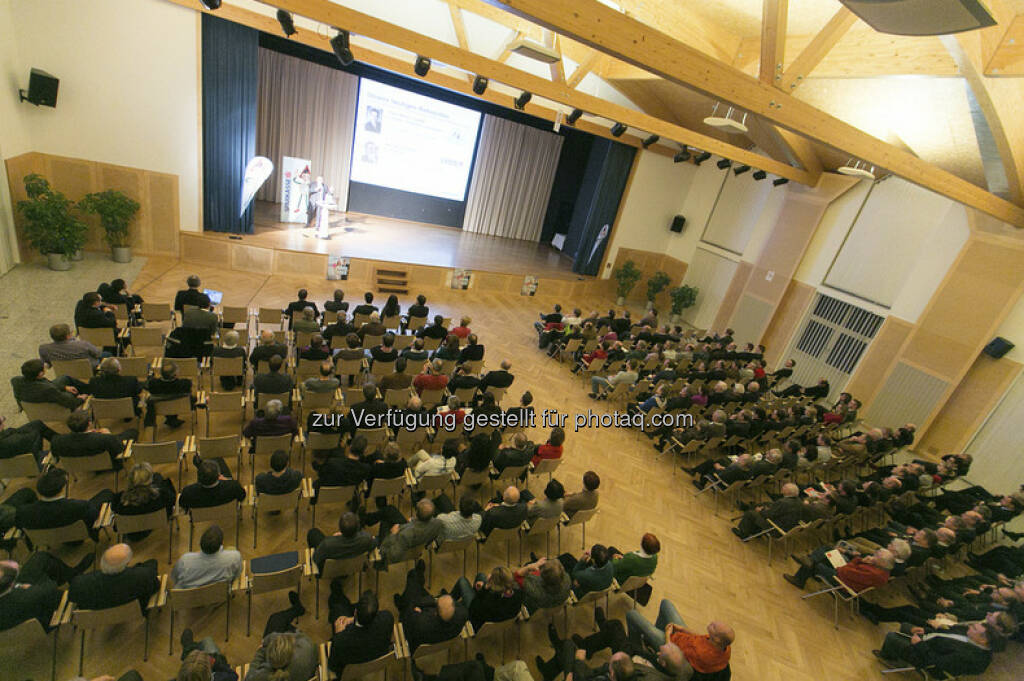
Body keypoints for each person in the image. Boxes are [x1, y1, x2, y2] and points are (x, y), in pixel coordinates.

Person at [626, 600, 734, 677]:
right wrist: (682, 629)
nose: (712, 623)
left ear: (718, 639)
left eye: (714, 627)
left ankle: (636, 648)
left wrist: (667, 634)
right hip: (681, 641)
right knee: (666, 604)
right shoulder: (724, 647)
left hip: (671, 647)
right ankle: (652, 640)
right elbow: (701, 637)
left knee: (632, 615)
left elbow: (672, 654)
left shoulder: (701, 654)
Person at [15, 467, 114, 541]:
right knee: (107, 493)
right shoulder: (79, 506)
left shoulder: (23, 512)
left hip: (49, 538)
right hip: (77, 536)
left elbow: (20, 526)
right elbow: (94, 516)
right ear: (62, 488)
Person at [874, 620, 996, 677]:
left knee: (891, 637)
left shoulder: (969, 656)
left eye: (974, 629)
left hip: (926, 658)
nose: (969, 628)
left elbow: (935, 661)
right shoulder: (973, 639)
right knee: (905, 625)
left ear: (983, 640)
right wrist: (926, 631)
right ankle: (896, 653)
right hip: (929, 642)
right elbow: (947, 634)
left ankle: (889, 658)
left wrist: (919, 644)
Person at [395, 561, 469, 653]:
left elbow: (408, 616)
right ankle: (418, 577)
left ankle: (402, 602)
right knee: (417, 587)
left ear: (435, 612)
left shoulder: (420, 622)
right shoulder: (462, 616)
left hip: (413, 631)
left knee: (412, 580)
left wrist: (415, 610)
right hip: (438, 638)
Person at [69, 543, 160, 614]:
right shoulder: (143, 576)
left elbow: (74, 600)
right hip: (135, 612)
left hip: (97, 618)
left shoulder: (78, 585)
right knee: (152, 562)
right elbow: (156, 585)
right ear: (127, 563)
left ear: (102, 563)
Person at [327, 590, 395, 676]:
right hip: (376, 659)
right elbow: (383, 615)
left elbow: (333, 666)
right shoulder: (387, 619)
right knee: (342, 605)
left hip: (348, 672)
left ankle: (336, 591)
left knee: (338, 607)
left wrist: (338, 634)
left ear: (355, 612)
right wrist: (352, 619)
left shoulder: (340, 641)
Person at [51, 410, 136, 471]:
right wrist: (109, 435)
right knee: (132, 432)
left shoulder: (56, 441)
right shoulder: (105, 439)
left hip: (79, 466)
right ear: (89, 423)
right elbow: (120, 449)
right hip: (110, 465)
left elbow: (55, 456)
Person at [114, 462, 176, 538]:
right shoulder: (161, 495)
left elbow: (115, 514)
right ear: (150, 480)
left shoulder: (121, 502)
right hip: (158, 521)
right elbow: (173, 500)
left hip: (132, 531)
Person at [451, 566, 523, 631]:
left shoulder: (489, 601)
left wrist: (484, 589)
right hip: (498, 615)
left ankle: (449, 601)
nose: (489, 575)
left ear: (494, 585)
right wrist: (486, 586)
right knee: (481, 575)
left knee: (462, 581)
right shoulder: (518, 593)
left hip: (476, 614)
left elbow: (473, 609)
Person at [374, 498, 442, 567]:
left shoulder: (405, 535)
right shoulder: (438, 524)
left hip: (391, 545)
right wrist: (413, 521)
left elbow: (393, 556)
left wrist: (393, 534)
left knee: (385, 521)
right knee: (391, 510)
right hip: (417, 540)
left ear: (416, 512)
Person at [172, 525, 243, 589]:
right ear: (221, 545)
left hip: (190, 599)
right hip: (221, 597)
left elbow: (175, 577)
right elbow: (237, 575)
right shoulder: (234, 557)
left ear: (200, 544)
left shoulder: (185, 560)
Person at [733, 482, 806, 540]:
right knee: (765, 504)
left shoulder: (783, 502)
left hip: (775, 527)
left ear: (788, 492)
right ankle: (755, 530)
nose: (782, 488)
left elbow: (769, 515)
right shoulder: (799, 501)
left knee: (751, 514)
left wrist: (761, 511)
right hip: (785, 526)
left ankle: (743, 534)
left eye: (784, 487)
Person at [307, 511, 375, 573]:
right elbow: (373, 545)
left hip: (328, 571)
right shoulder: (367, 539)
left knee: (313, 533)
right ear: (358, 528)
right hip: (353, 567)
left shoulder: (327, 544)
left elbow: (315, 559)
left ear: (340, 528)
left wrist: (335, 538)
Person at [244, 627, 318, 681]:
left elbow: (248, 678)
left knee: (275, 620)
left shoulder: (266, 675)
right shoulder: (306, 648)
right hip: (307, 674)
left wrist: (260, 651)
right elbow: (296, 635)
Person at [11, 358, 86, 411]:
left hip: (36, 401)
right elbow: (69, 402)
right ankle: (86, 393)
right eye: (44, 367)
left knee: (65, 378)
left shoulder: (15, 380)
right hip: (51, 406)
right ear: (40, 374)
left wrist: (64, 387)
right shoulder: (48, 389)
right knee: (71, 394)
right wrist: (80, 399)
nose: (45, 367)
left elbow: (47, 385)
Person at [179, 459, 247, 511]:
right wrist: (227, 481)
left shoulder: (188, 492)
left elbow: (182, 504)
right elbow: (242, 496)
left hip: (201, 514)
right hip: (225, 509)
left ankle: (200, 463)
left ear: (198, 478)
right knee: (218, 459)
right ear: (219, 475)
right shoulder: (234, 487)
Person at [144, 360, 193, 428]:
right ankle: (172, 419)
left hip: (161, 407)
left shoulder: (153, 384)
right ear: (175, 375)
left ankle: (171, 419)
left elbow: (147, 386)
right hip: (180, 406)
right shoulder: (185, 384)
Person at [38, 322, 103, 368]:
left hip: (64, 374)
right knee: (106, 353)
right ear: (68, 336)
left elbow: (47, 364)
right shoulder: (83, 345)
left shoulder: (44, 349)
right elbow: (98, 354)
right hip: (89, 370)